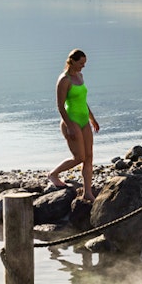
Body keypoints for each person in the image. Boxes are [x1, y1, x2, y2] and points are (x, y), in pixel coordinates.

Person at [48, 48, 99, 200]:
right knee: (79, 157)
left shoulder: (80, 76)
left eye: (85, 63)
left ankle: (87, 192)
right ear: (72, 61)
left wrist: (92, 118)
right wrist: (69, 126)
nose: (83, 66)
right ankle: (53, 174)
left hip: (84, 120)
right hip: (71, 121)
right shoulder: (64, 80)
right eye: (81, 63)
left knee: (89, 157)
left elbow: (83, 101)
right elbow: (60, 106)